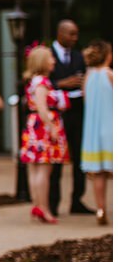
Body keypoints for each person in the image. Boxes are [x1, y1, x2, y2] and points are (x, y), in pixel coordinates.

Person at [19, 44, 70, 224]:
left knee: (34, 169)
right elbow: (41, 107)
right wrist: (51, 127)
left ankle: (37, 204)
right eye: (50, 58)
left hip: (35, 125)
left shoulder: (33, 81)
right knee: (44, 169)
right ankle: (44, 208)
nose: (53, 61)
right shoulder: (42, 82)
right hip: (43, 127)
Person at [49, 19, 89, 216]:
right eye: (71, 34)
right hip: (56, 116)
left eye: (76, 34)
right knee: (55, 160)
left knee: (79, 158)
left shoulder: (78, 56)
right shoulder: (47, 55)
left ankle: (77, 201)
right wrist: (62, 83)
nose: (75, 38)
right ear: (60, 33)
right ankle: (52, 202)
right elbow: (37, 84)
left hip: (77, 113)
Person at [80, 40, 112, 225]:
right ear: (108, 55)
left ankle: (100, 209)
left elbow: (86, 100)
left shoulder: (88, 77)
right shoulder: (110, 74)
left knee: (98, 173)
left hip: (93, 130)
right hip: (110, 128)